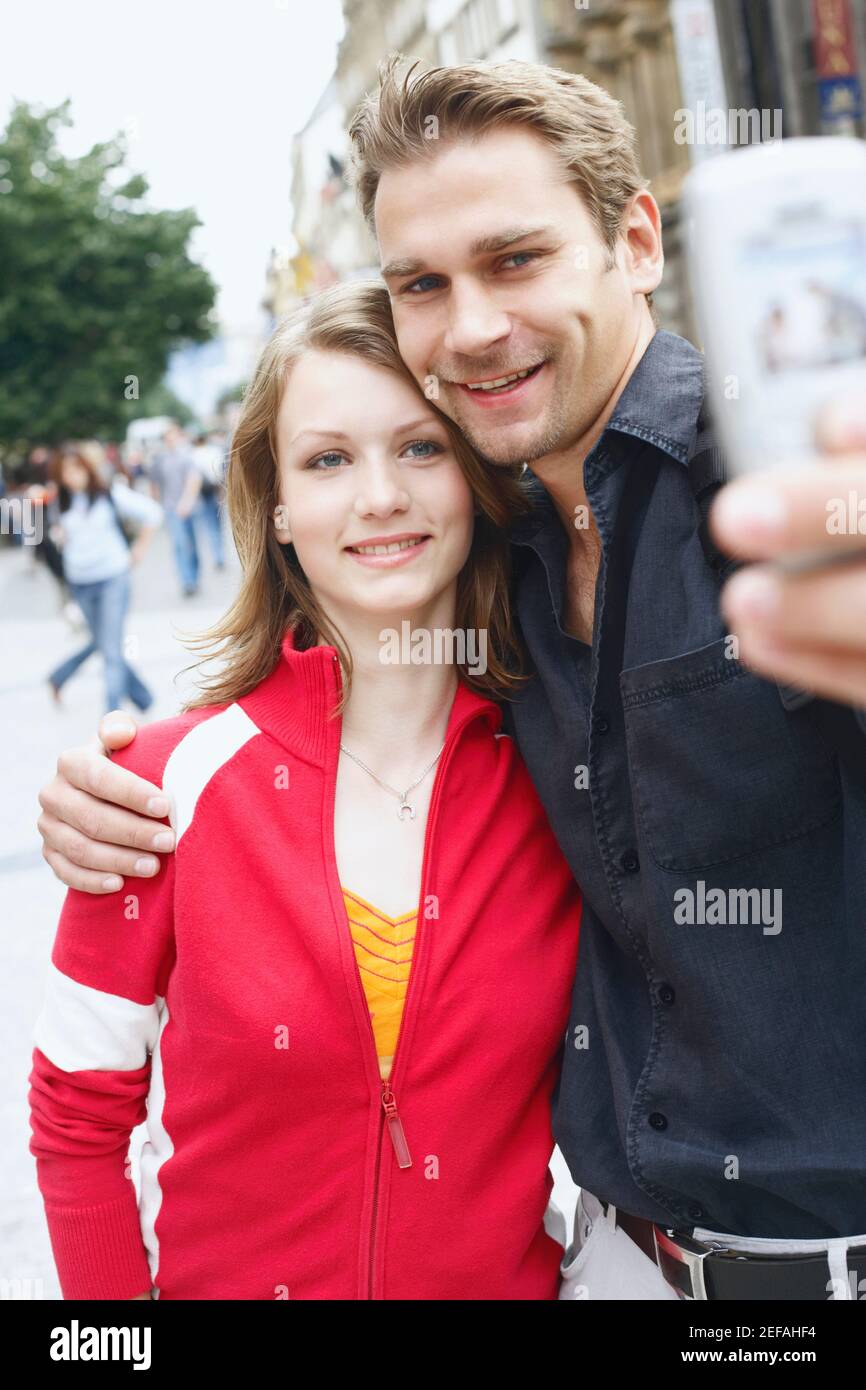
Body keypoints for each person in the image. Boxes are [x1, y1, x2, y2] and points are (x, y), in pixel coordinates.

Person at [36, 56, 866, 1301]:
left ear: (634, 240)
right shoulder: (516, 564)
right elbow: (79, 1114)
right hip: (613, 1265)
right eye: (421, 283)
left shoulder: (778, 492)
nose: (471, 324)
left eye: (514, 258)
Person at [27, 281, 583, 1301]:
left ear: (473, 474)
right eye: (328, 459)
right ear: (276, 503)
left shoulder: (562, 776)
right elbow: (75, 1117)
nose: (378, 495)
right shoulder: (156, 784)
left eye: (419, 447)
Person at [46, 442, 162, 714]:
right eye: (65, 472)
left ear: (87, 469)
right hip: (79, 581)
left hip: (112, 578)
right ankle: (143, 697)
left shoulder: (108, 493)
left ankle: (110, 720)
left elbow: (153, 514)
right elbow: (55, 538)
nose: (72, 477)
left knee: (110, 650)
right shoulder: (60, 503)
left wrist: (139, 550)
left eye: (77, 470)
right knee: (104, 643)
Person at [149, 424, 202, 597]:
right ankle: (187, 582)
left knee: (191, 545)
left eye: (174, 437)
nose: (171, 441)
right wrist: (157, 505)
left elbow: (194, 479)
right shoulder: (160, 460)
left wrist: (186, 502)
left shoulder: (187, 456)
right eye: (168, 438)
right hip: (171, 508)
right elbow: (155, 484)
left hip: (189, 508)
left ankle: (194, 576)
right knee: (179, 545)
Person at [190, 429, 227, 569]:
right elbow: (221, 472)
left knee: (210, 524)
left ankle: (217, 555)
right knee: (218, 523)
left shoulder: (193, 455)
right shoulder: (214, 451)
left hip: (203, 493)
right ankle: (220, 554)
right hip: (216, 489)